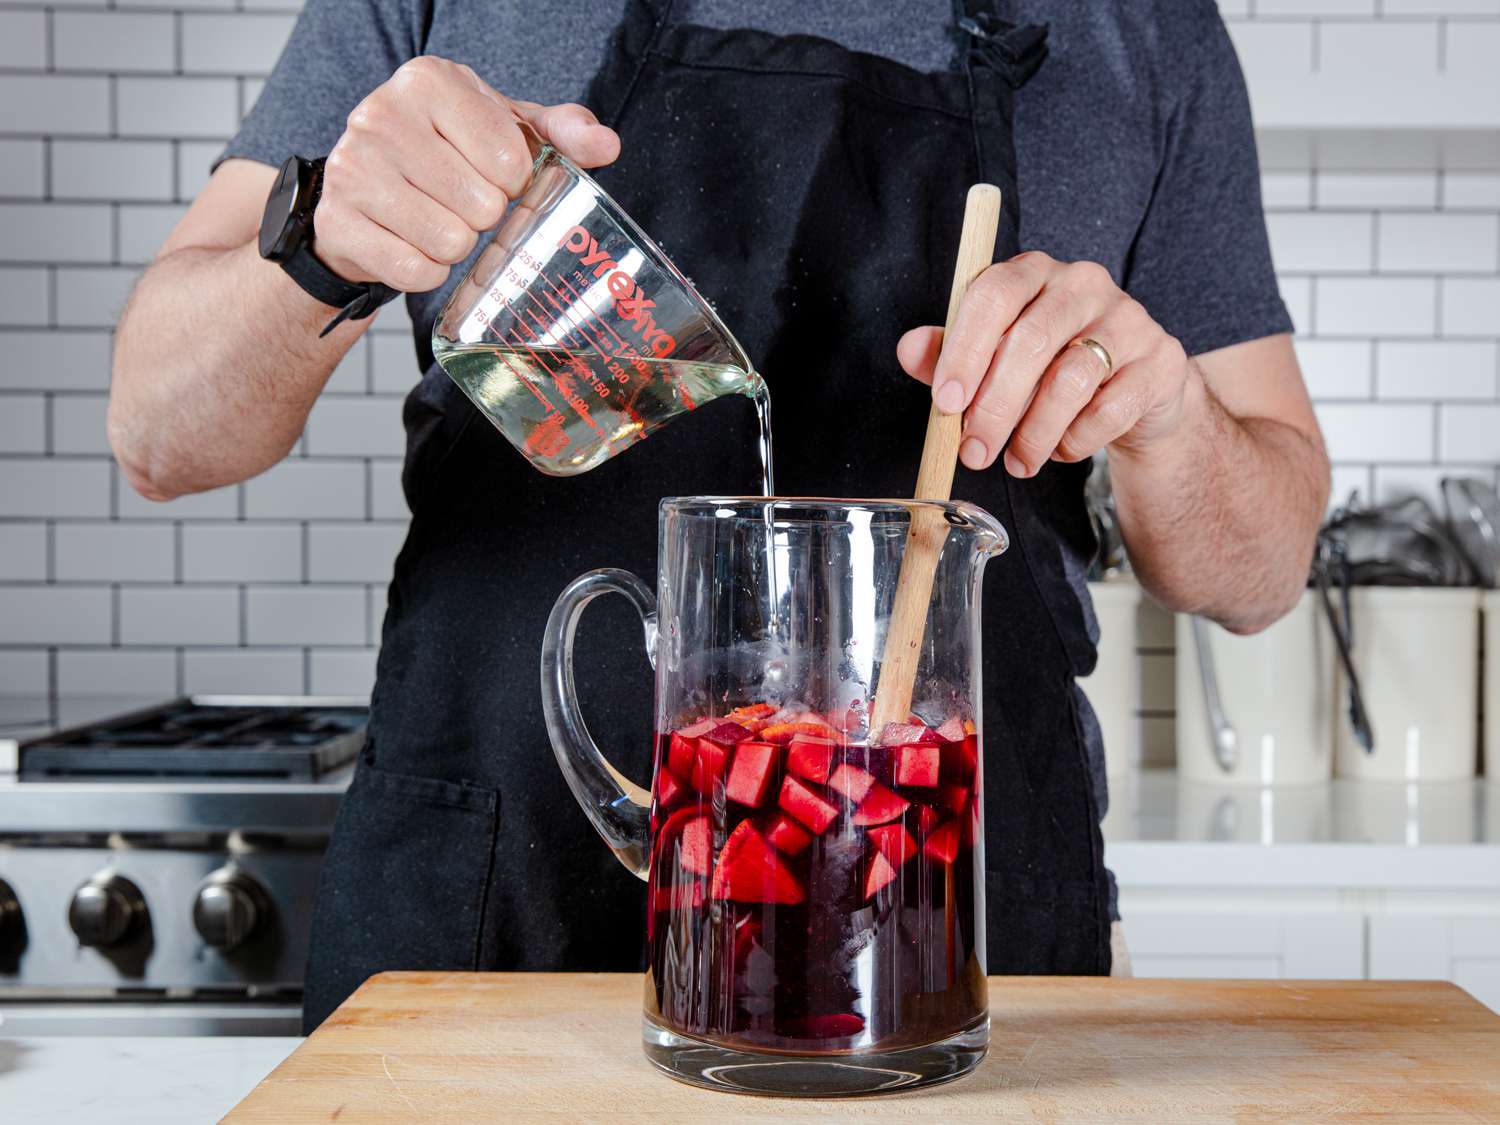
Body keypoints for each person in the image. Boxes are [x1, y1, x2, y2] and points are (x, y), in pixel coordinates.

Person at [108, 0, 1329, 1030]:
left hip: (948, 924)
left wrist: (1169, 413)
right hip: (487, 921)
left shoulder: (1142, 26)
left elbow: (1264, 569)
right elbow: (159, 431)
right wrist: (326, 244)